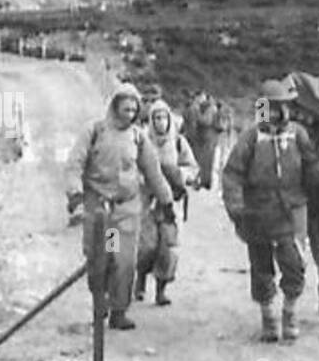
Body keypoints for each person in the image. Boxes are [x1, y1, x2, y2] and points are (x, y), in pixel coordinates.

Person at [222, 78, 319, 343]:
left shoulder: (298, 135)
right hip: (258, 213)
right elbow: (232, 174)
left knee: (295, 264)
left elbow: (312, 167)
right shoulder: (251, 138)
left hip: (292, 212)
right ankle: (269, 316)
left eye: (283, 107)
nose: (279, 113)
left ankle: (289, 311)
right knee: (261, 267)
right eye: (273, 107)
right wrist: (236, 208)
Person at [65, 83, 175, 330]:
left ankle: (118, 309)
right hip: (99, 211)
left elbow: (153, 172)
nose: (129, 113)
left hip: (124, 212)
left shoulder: (138, 137)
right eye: (125, 108)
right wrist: (75, 196)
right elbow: (74, 164)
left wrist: (166, 201)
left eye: (133, 109)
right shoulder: (95, 131)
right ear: (114, 106)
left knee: (123, 261)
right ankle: (100, 299)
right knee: (99, 259)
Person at [136, 99, 198, 306]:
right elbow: (132, 166)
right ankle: (140, 279)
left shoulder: (179, 142)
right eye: (156, 118)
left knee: (168, 247)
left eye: (164, 117)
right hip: (147, 202)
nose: (161, 122)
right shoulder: (142, 141)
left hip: (170, 204)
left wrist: (180, 175)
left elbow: (192, 168)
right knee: (146, 246)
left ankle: (161, 289)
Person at [181, 91, 222, 190]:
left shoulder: (211, 109)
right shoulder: (203, 108)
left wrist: (199, 117)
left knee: (205, 161)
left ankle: (205, 182)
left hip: (208, 138)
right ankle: (202, 181)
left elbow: (207, 121)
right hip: (205, 138)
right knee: (203, 160)